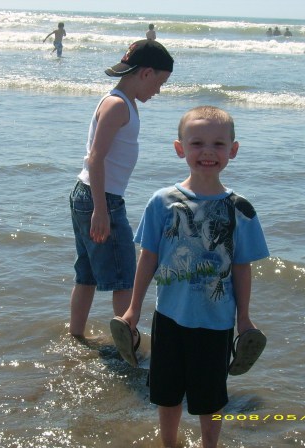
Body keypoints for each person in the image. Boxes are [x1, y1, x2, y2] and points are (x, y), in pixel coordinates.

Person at [121, 106, 270, 448]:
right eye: (197, 143)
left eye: (218, 144)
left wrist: (244, 318)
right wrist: (132, 310)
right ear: (180, 148)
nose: (207, 151)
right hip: (169, 317)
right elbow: (148, 258)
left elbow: (241, 267)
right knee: (167, 392)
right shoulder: (162, 202)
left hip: (216, 323)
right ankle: (169, 444)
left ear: (233, 150)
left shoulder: (240, 208)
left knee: (211, 398)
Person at [69, 40, 174, 338]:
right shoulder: (117, 105)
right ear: (146, 73)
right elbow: (96, 158)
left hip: (88, 195)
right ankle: (126, 347)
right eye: (160, 82)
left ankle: (76, 336)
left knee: (86, 276)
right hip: (101, 199)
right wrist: (101, 210)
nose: (158, 90)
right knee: (125, 279)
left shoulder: (117, 101)